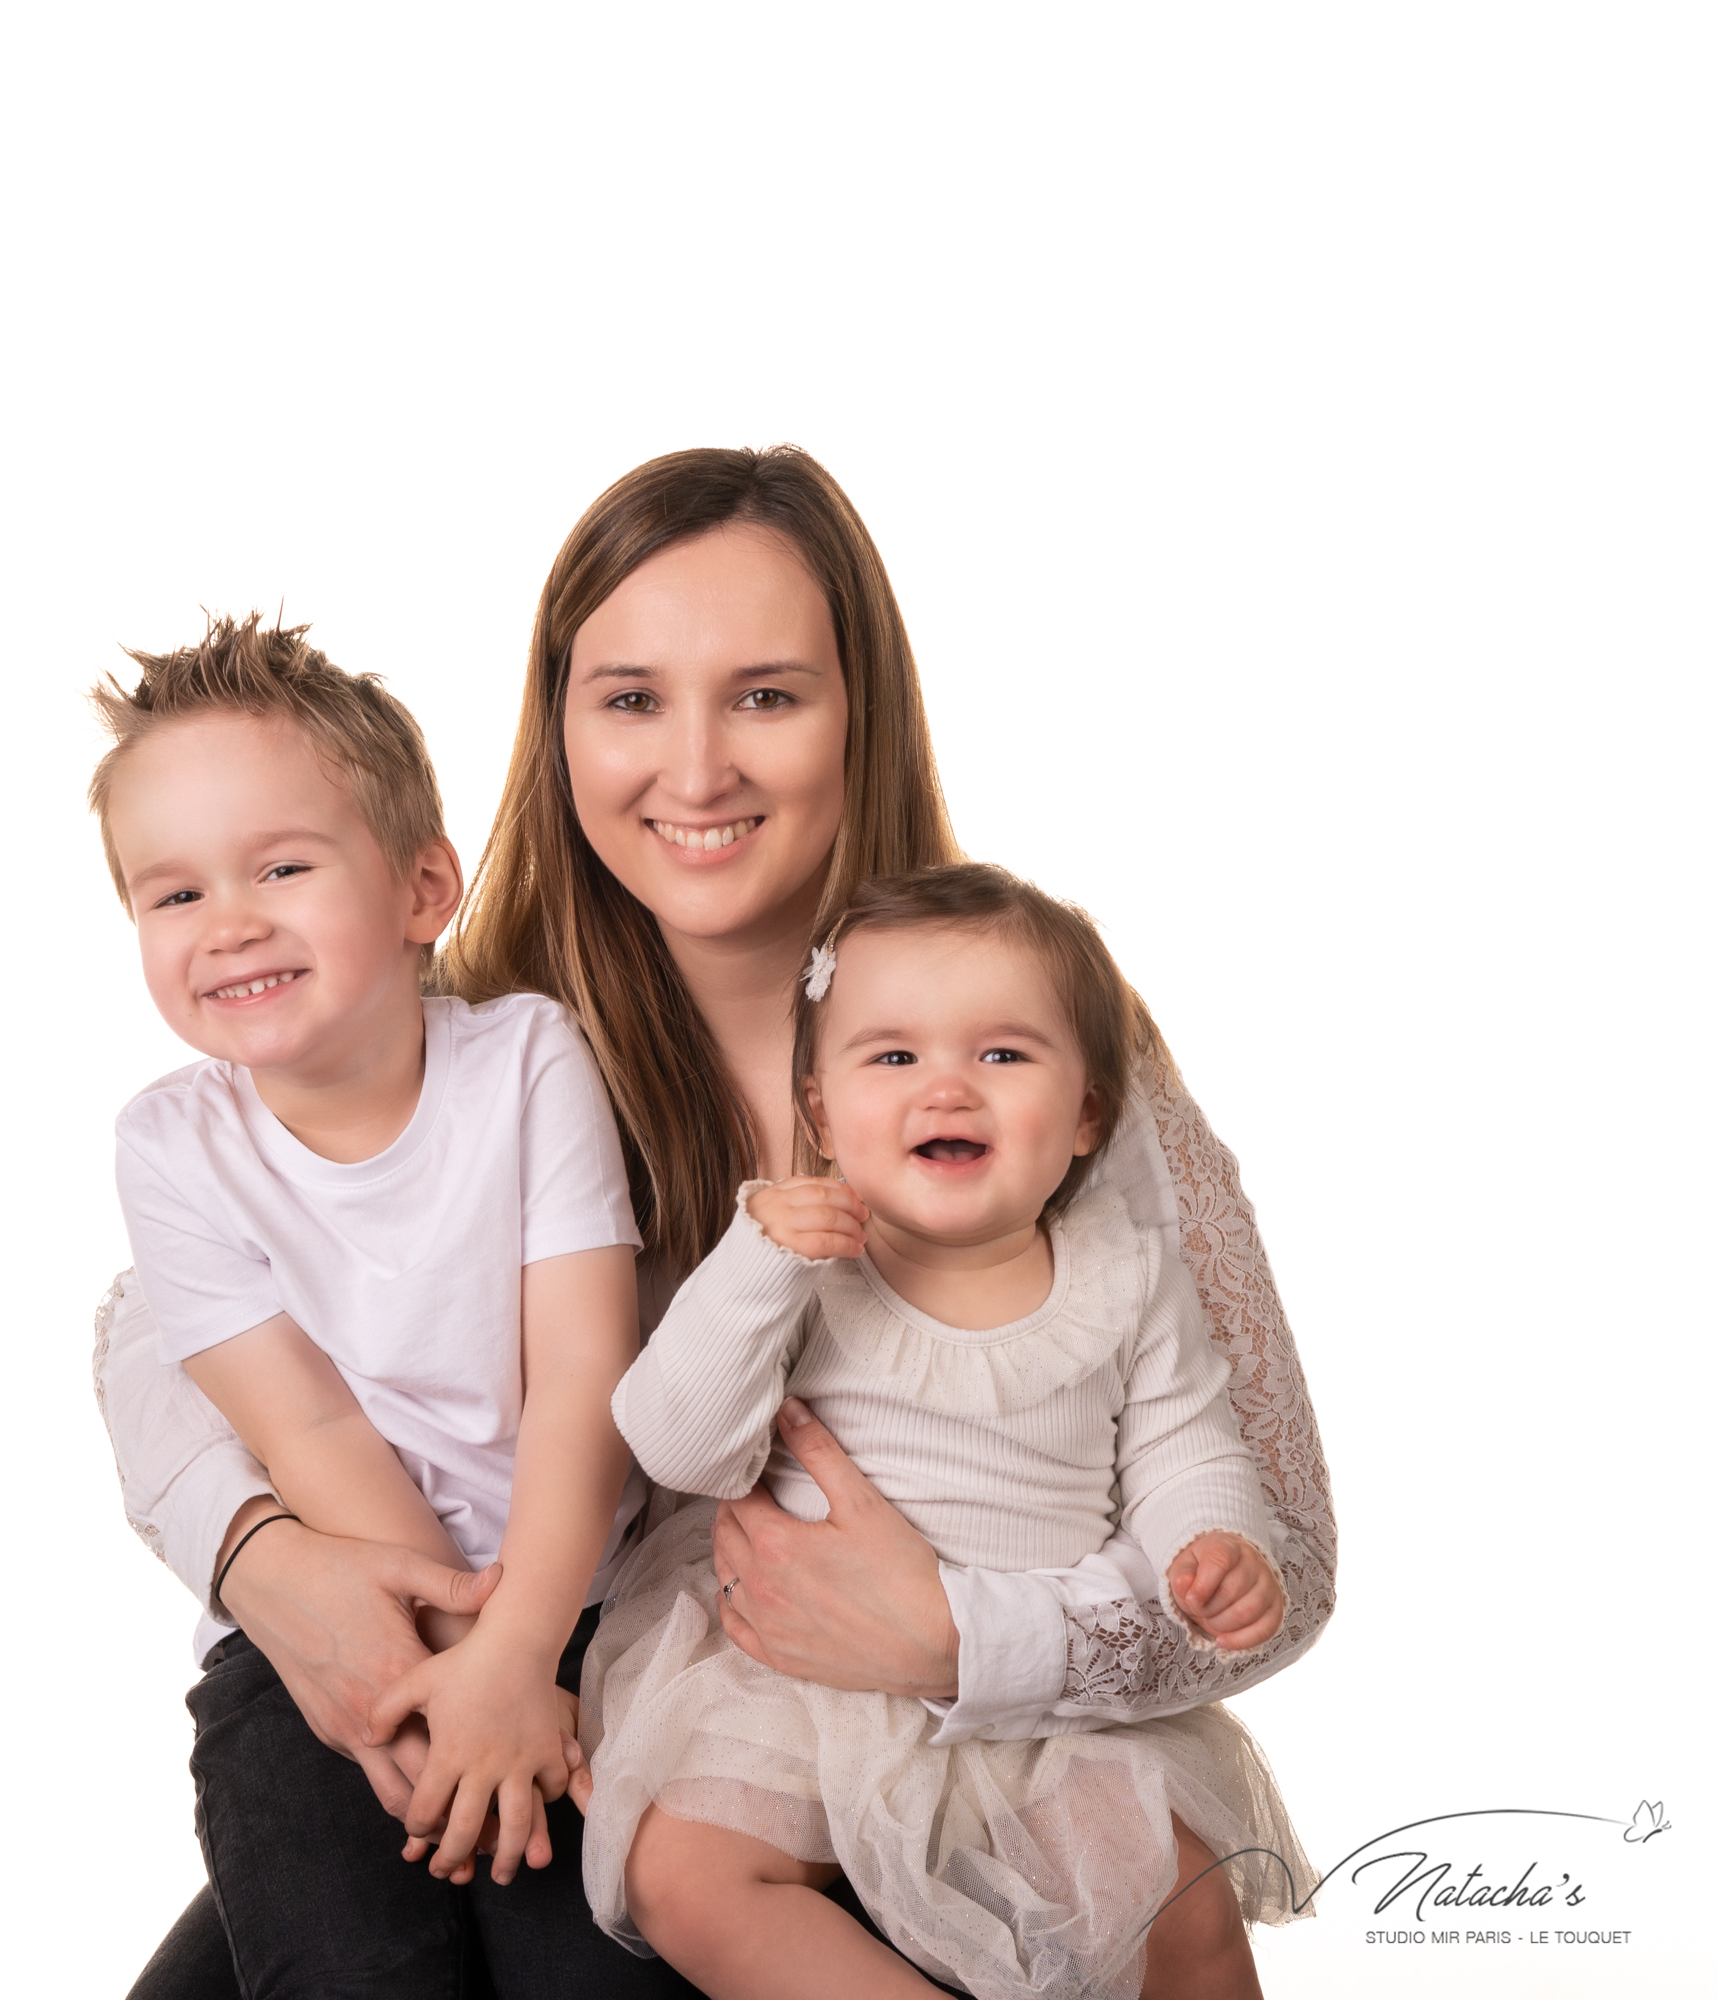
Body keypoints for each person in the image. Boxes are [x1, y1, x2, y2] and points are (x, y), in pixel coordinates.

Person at [94, 445, 1336, 1998]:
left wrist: (957, 1638)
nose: (695, 771)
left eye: (765, 695)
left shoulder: (1022, 1051)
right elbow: (152, 1333)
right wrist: (265, 1559)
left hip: (948, 1747)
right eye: (630, 699)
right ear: (558, 726)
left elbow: (1281, 1544)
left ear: (856, 711)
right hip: (604, 1701)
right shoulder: (476, 1034)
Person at [585, 865, 1309, 2000]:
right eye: (891, 1055)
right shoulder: (798, 1265)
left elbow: (1186, 1446)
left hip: (1042, 1707)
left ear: (1086, 1114)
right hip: (798, 1687)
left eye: (1002, 1054)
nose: (947, 1088)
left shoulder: (1124, 1272)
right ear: (821, 1111)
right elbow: (676, 1443)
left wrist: (1212, 1543)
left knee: (1184, 1904)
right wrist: (755, 1259)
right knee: (686, 1870)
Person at [91, 615, 674, 1990]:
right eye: (171, 896)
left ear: (425, 887)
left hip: (564, 1614)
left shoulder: (529, 1063)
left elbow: (585, 1381)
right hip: (317, 1645)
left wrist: (515, 1659)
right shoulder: (170, 1146)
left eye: (281, 866)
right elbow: (311, 1434)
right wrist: (436, 1690)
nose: (227, 923)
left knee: (587, 1964)